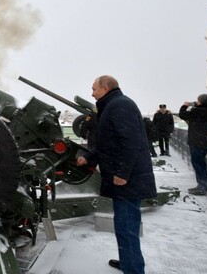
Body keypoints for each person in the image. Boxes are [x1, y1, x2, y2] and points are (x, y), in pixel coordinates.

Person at [76, 75, 156, 274]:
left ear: (105, 88)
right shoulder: (112, 105)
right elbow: (107, 142)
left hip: (128, 180)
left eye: (94, 88)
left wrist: (122, 173)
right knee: (122, 225)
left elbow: (130, 143)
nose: (92, 93)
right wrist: (89, 157)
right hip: (125, 178)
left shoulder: (121, 106)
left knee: (127, 227)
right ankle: (127, 262)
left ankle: (134, 269)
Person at [178, 94, 207, 196]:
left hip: (196, 141)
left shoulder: (196, 111)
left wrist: (185, 105)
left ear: (200, 102)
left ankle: (204, 188)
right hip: (205, 141)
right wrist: (197, 105)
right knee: (201, 164)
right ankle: (202, 186)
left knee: (198, 165)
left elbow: (182, 114)